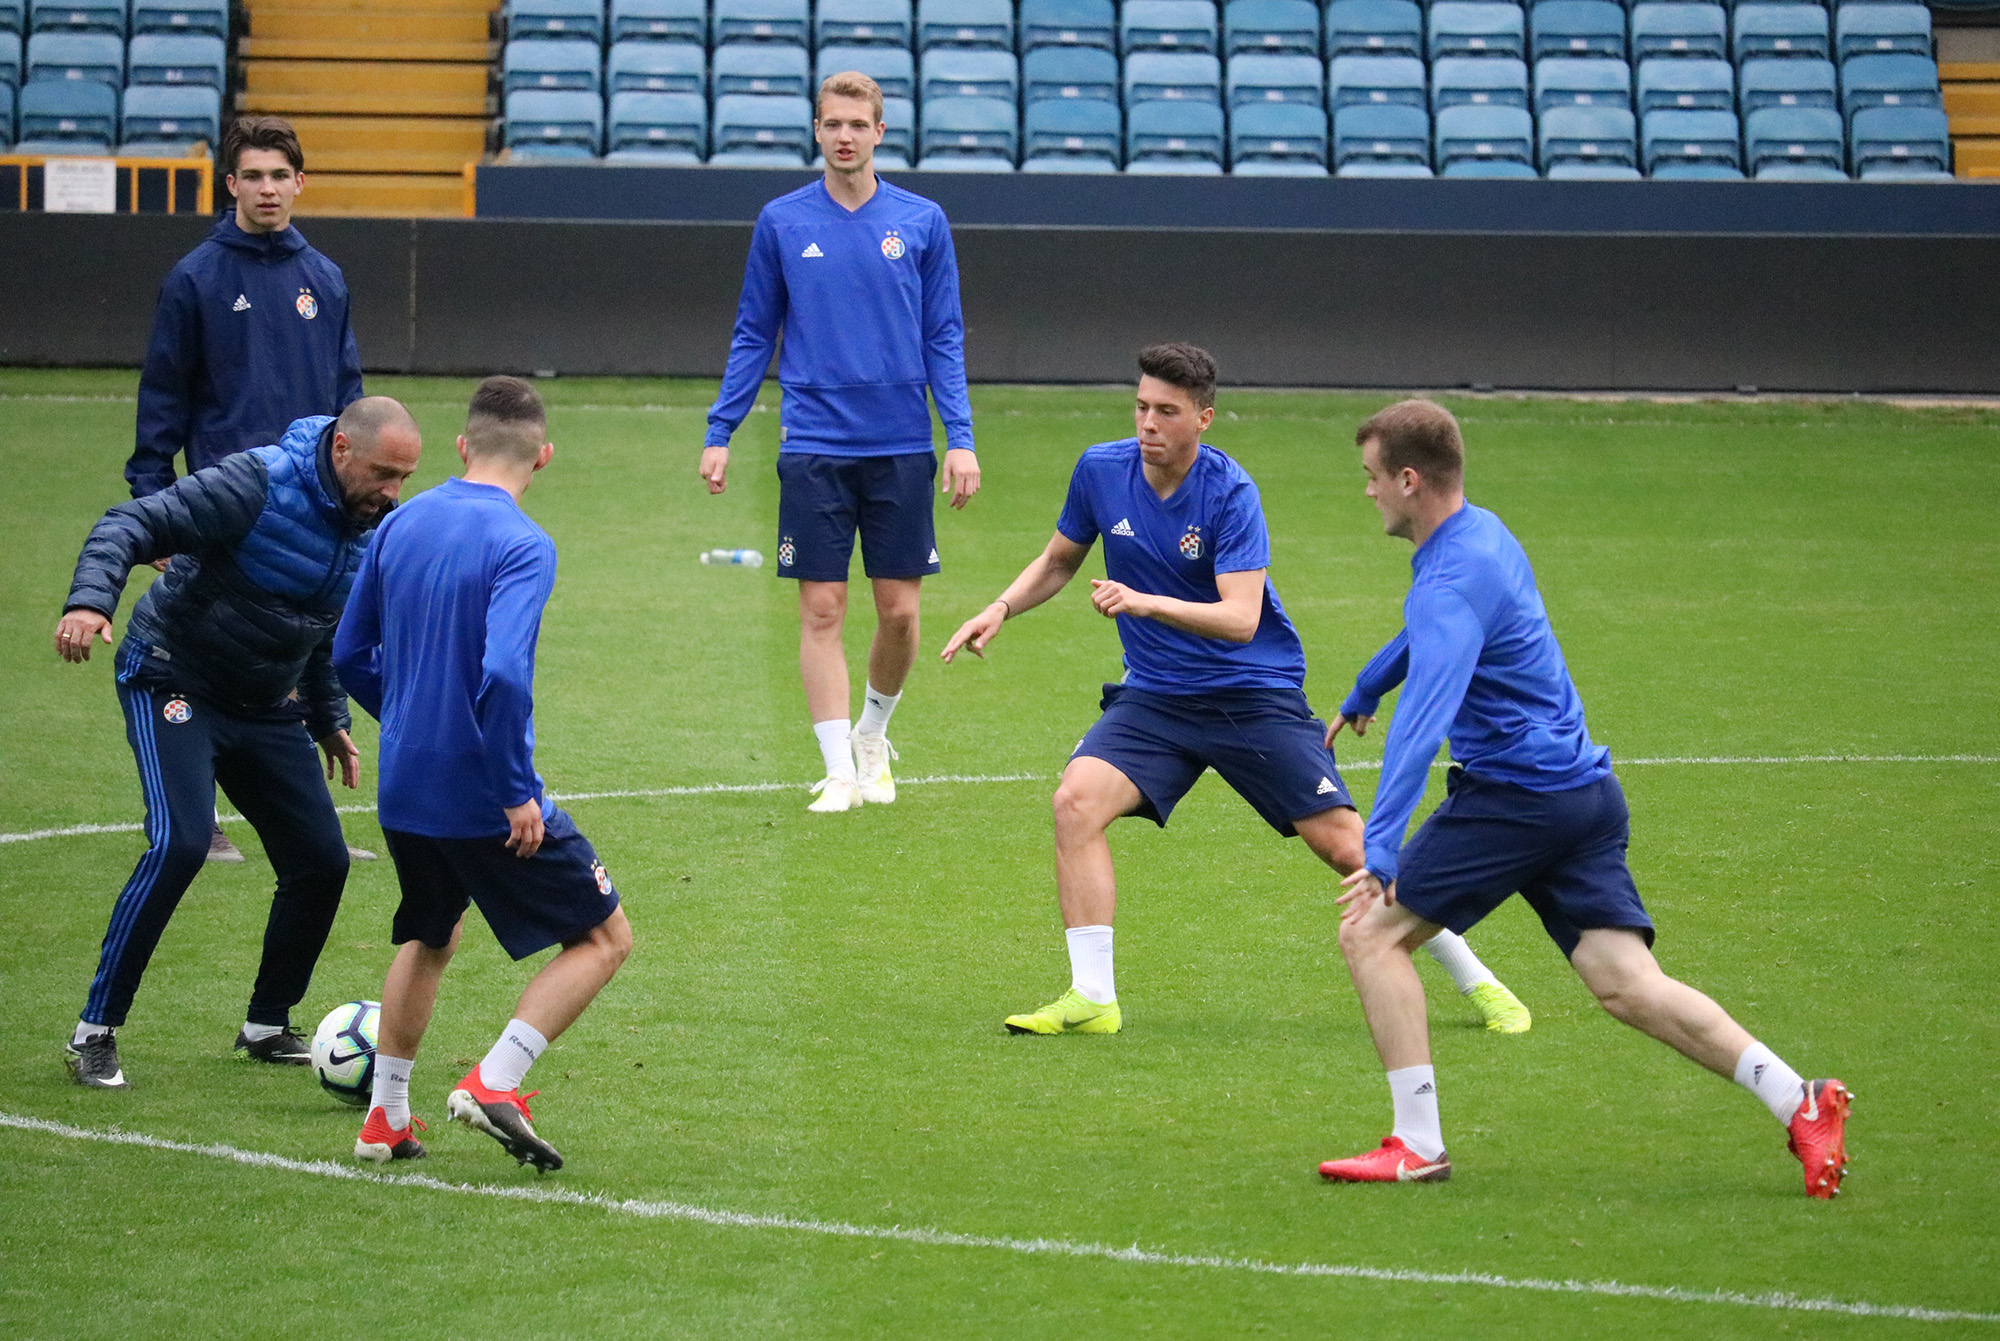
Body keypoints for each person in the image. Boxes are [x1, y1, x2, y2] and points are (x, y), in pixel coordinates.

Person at [1316, 399, 1851, 1196]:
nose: (1367, 492)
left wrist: (1384, 847)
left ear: (1409, 479)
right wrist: (1370, 682)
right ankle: (1798, 1097)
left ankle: (1417, 1143)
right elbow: (1434, 628)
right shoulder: (1482, 534)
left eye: (1371, 477)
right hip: (1583, 794)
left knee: (1370, 934)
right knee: (1626, 982)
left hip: (1516, 798)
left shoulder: (1449, 581)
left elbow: (1421, 728)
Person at [941, 345, 1530, 1037]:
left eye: (1167, 411)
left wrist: (1144, 602)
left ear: (1204, 418)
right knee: (1075, 802)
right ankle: (1093, 996)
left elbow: (1240, 618)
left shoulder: (1230, 493)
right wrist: (1000, 608)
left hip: (1251, 693)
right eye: (1141, 406)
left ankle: (1481, 981)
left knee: (1349, 849)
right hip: (1157, 696)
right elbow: (1058, 559)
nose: (1148, 423)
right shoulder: (1100, 470)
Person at [55, 397, 422, 1089]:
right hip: (172, 676)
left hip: (263, 703)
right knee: (181, 842)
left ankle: (265, 1024)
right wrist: (89, 600)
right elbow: (129, 522)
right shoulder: (255, 482)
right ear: (342, 448)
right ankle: (94, 1031)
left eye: (404, 477)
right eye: (384, 474)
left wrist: (327, 717)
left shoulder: (367, 525)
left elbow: (318, 623)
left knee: (321, 859)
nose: (393, 492)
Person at [334, 377, 633, 1171]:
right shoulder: (524, 544)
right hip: (479, 792)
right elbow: (502, 671)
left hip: (404, 785)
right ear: (545, 456)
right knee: (604, 936)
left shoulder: (402, 523)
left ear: (463, 446)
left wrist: (409, 717)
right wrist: (514, 788)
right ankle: (493, 1081)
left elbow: (347, 652)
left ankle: (385, 1119)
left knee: (431, 931)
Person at [700, 71, 981, 813]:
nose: (845, 136)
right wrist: (721, 429)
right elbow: (754, 331)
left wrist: (960, 436)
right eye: (833, 124)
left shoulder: (922, 221)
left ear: (880, 131)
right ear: (817, 130)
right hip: (815, 443)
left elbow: (943, 335)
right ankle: (838, 771)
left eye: (858, 124)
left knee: (900, 614)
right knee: (821, 609)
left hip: (900, 445)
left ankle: (872, 734)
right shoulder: (782, 221)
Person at [127, 114, 366, 863]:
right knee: (200, 652)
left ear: (301, 182)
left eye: (279, 175)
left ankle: (300, 823)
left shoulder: (325, 279)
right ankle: (194, 815)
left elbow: (349, 397)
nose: (267, 189)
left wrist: (357, 485)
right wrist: (154, 503)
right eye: (253, 176)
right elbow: (163, 398)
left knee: (294, 652)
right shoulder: (195, 279)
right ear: (230, 184)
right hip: (225, 507)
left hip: (313, 507)